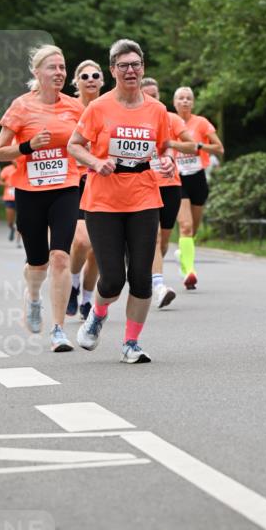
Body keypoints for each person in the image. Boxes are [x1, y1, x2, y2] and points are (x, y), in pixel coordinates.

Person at [69, 39, 175, 363]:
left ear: (143, 68)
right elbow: (75, 144)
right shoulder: (99, 107)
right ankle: (98, 315)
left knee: (141, 276)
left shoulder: (156, 109)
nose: (131, 71)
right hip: (103, 200)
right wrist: (94, 162)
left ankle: (131, 343)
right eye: (124, 65)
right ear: (113, 70)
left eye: (136, 65)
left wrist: (168, 160)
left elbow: (166, 146)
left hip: (144, 196)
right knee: (113, 277)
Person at [0, 44, 83, 352]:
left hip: (66, 187)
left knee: (60, 256)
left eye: (62, 67)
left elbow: (90, 140)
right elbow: (0, 152)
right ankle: (33, 298)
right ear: (37, 73)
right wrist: (28, 146)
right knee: (38, 262)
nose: (59, 73)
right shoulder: (21, 106)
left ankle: (58, 329)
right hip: (30, 191)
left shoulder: (75, 107)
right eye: (52, 67)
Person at [141, 76, 196, 308]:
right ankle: (158, 285)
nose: (152, 98)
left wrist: (170, 144)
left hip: (170, 184)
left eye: (156, 94)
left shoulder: (170, 118)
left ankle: (151, 273)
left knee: (163, 241)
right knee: (152, 237)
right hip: (143, 185)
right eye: (148, 95)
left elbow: (191, 145)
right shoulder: (132, 119)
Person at [172, 86, 224, 290]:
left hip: (198, 177)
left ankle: (183, 254)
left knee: (192, 229)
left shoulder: (201, 123)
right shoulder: (169, 121)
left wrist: (199, 146)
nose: (184, 101)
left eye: (188, 98)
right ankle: (189, 271)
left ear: (192, 103)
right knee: (185, 226)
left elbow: (219, 148)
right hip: (177, 178)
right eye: (180, 98)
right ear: (174, 103)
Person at [66, 60, 103, 321]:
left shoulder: (112, 105)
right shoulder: (66, 107)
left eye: (95, 75)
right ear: (76, 81)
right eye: (84, 75)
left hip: (105, 181)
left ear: (102, 80)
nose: (90, 79)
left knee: (100, 249)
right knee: (82, 241)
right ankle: (74, 282)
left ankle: (88, 300)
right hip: (75, 180)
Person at [0, 162, 21, 246]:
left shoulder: (23, 166)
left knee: (20, 220)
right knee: (10, 221)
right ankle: (12, 228)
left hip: (21, 197)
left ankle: (18, 241)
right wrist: (7, 184)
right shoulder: (6, 169)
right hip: (9, 197)